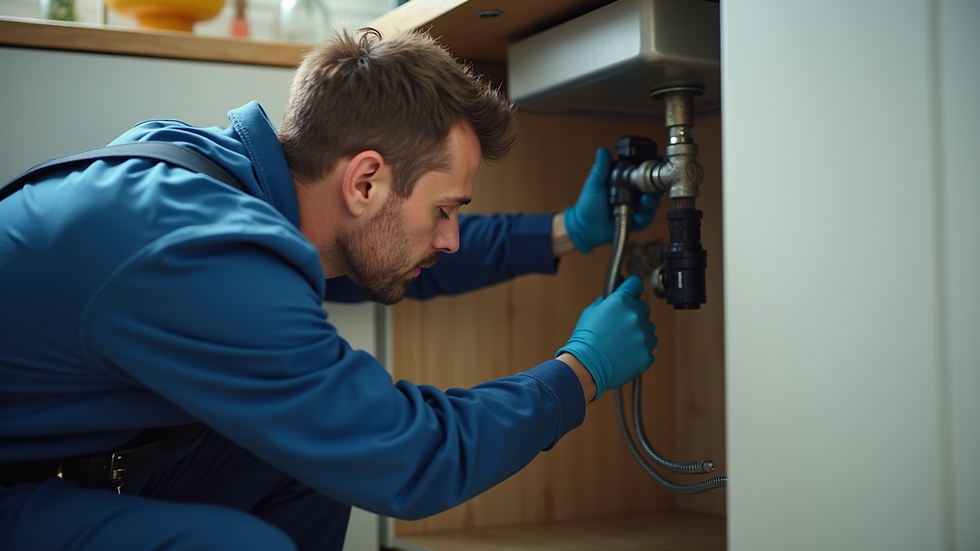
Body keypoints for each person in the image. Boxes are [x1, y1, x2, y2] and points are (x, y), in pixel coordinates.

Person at [0, 28, 661, 551]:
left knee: (305, 463)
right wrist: (578, 373)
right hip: (19, 487)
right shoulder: (196, 251)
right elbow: (406, 454)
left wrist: (564, 232)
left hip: (55, 462)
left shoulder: (226, 182)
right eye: (447, 209)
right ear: (365, 180)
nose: (451, 235)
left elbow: (388, 250)